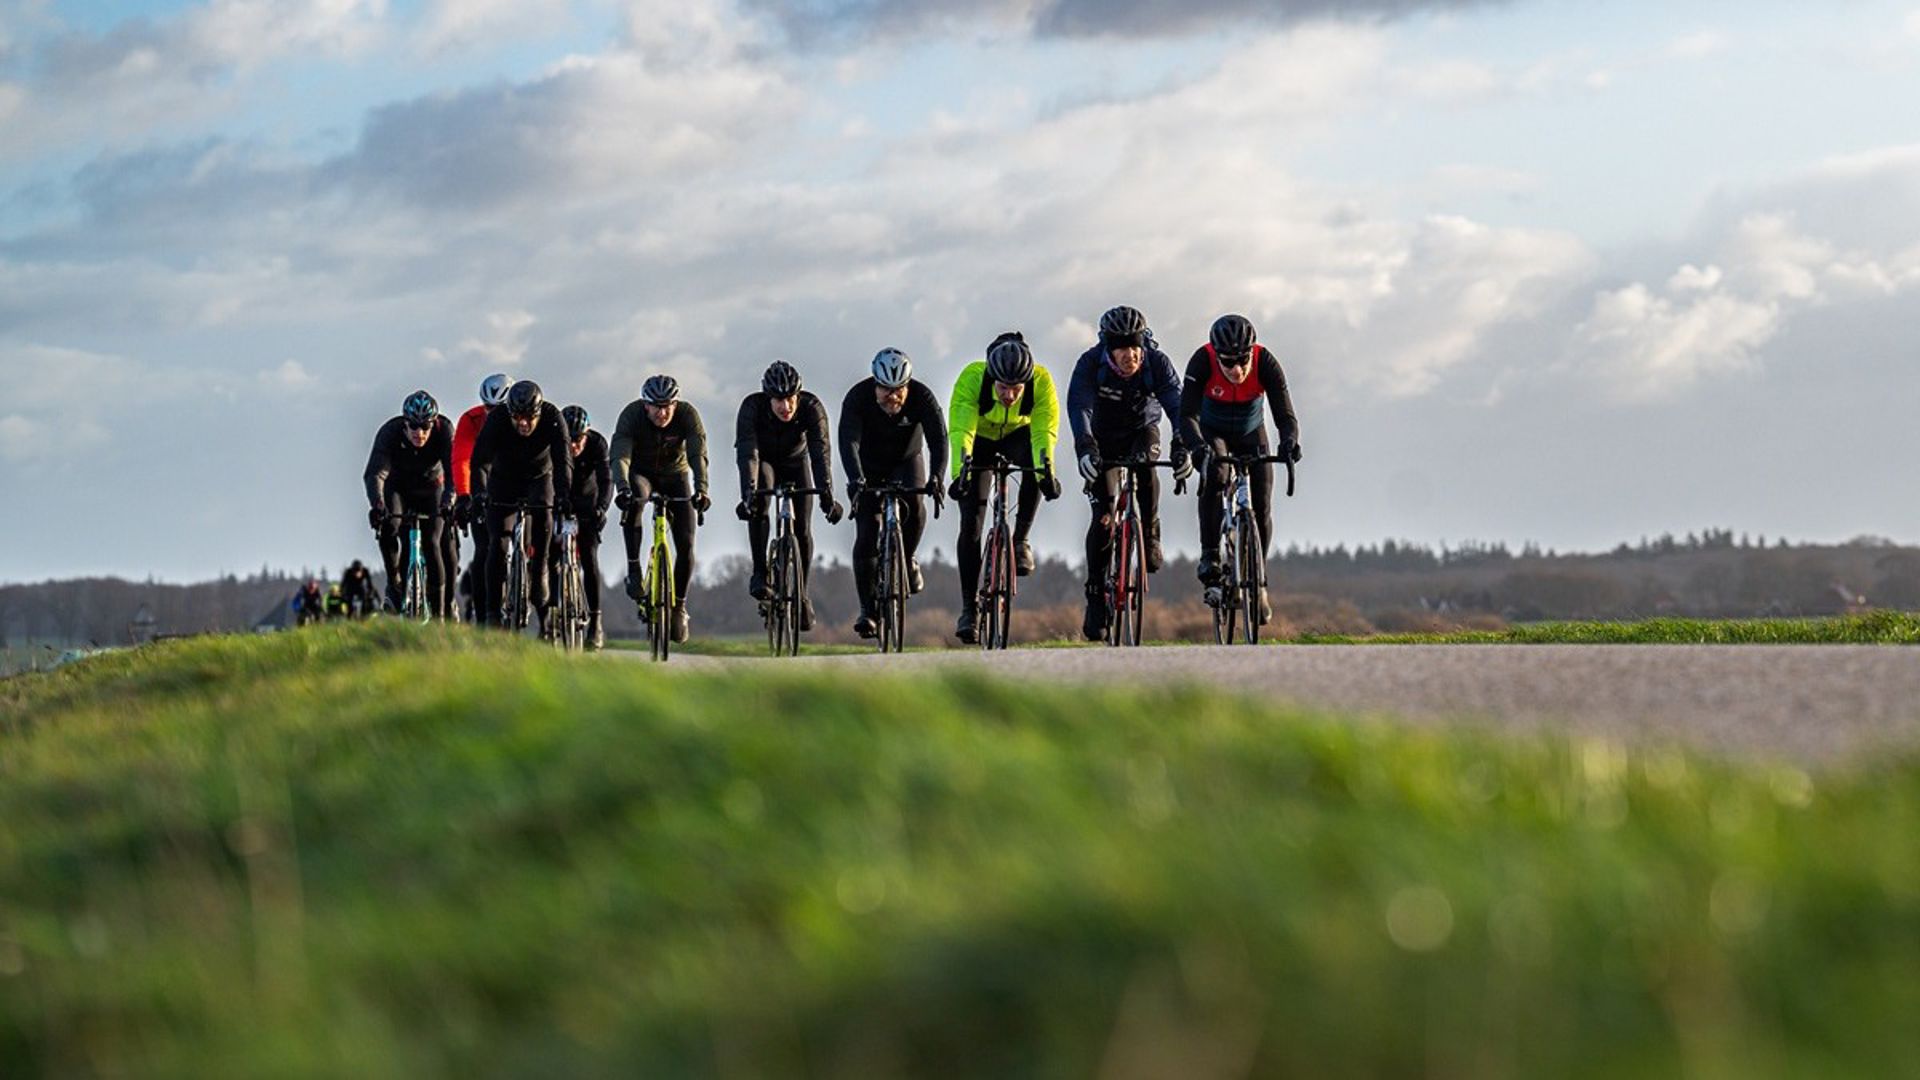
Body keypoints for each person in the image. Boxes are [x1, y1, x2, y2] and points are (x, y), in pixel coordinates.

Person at [1067, 305, 1195, 640]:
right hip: (1103, 437)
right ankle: (1095, 594)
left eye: (1135, 346)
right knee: (1103, 516)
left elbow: (1177, 406)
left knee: (1147, 472)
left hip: (1143, 429)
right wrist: (1084, 448)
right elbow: (1079, 407)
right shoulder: (1090, 364)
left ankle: (1150, 529)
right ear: (1108, 348)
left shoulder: (1156, 362)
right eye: (1122, 347)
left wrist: (1182, 446)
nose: (1131, 355)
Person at [1179, 314, 1302, 625]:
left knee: (1261, 504)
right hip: (1212, 431)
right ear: (1216, 355)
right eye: (1228, 362)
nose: (1236, 369)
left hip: (1251, 431)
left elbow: (1285, 415)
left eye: (1242, 360)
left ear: (1252, 351)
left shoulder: (1266, 363)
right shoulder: (1202, 361)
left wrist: (1289, 442)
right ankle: (1210, 555)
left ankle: (1258, 581)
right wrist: (1196, 447)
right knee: (1216, 475)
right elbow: (1187, 416)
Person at [947, 332, 1062, 643]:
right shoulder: (973, 378)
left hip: (1018, 438)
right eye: (1002, 388)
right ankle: (969, 609)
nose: (1010, 396)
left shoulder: (1041, 381)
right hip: (980, 441)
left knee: (1035, 468)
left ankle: (1020, 539)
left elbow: (1044, 432)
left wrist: (1046, 472)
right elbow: (961, 430)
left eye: (1016, 389)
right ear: (991, 377)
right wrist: (961, 474)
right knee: (971, 523)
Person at [839, 347, 947, 638]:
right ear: (875, 384)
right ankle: (868, 611)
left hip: (906, 461)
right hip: (869, 466)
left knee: (916, 506)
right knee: (866, 533)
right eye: (886, 389)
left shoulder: (923, 398)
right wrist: (855, 480)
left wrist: (937, 477)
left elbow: (939, 441)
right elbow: (848, 442)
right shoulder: (857, 398)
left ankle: (908, 557)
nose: (893, 396)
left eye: (899, 390)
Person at [735, 361, 844, 631]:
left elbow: (821, 453)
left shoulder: (812, 407)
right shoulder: (752, 407)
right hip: (765, 461)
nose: (786, 407)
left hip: (798, 462)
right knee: (760, 503)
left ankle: (802, 595)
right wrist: (748, 494)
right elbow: (747, 454)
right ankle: (760, 572)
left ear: (799, 395)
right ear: (768, 399)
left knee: (803, 529)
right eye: (779, 400)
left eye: (791, 399)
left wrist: (827, 496)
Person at [610, 374, 710, 643]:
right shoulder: (631, 415)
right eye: (656, 406)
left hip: (676, 476)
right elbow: (620, 454)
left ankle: (678, 606)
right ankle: (634, 570)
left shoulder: (688, 415)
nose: (662, 412)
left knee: (687, 543)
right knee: (636, 502)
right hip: (641, 474)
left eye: (668, 406)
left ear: (676, 404)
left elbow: (697, 454)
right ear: (646, 405)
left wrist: (702, 489)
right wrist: (622, 488)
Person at [471, 380, 573, 630]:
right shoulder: (497, 419)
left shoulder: (552, 417)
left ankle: (539, 571)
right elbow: (480, 462)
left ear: (538, 413)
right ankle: (493, 612)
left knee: (545, 521)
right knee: (498, 543)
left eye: (529, 418)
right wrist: (479, 494)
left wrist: (564, 496)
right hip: (503, 480)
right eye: (517, 418)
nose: (523, 424)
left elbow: (563, 461)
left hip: (540, 478)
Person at [363, 389, 454, 617]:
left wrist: (449, 500)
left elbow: (453, 472)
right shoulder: (390, 432)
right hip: (399, 488)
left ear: (434, 424)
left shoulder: (445, 431)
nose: (420, 433)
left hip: (432, 487)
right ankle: (394, 584)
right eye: (414, 426)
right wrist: (378, 505)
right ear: (405, 424)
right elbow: (375, 474)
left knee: (433, 543)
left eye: (426, 427)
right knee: (389, 528)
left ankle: (440, 613)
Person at [452, 373, 511, 623]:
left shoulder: (523, 418)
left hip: (513, 482)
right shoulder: (471, 419)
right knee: (484, 549)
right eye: (488, 407)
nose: (491, 413)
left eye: (498, 408)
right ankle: (484, 611)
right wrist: (465, 495)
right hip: (483, 485)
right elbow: (461, 459)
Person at [554, 405, 612, 650]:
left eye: (578, 440)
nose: (574, 446)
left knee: (589, 557)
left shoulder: (598, 444)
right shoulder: (554, 443)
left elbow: (606, 480)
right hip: (560, 499)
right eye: (570, 440)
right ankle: (551, 619)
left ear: (586, 436)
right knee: (549, 556)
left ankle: (595, 623)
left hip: (588, 502)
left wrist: (602, 508)